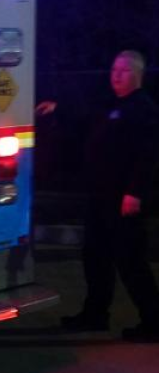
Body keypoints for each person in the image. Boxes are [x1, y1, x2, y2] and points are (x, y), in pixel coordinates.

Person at [37, 50, 159, 342]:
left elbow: (148, 156)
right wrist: (58, 109)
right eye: (114, 69)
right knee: (95, 259)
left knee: (131, 263)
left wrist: (135, 193)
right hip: (100, 199)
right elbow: (84, 119)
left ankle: (154, 323)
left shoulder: (142, 109)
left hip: (123, 202)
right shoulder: (112, 106)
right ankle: (95, 315)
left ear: (138, 75)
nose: (116, 75)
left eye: (124, 71)